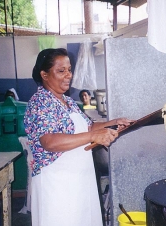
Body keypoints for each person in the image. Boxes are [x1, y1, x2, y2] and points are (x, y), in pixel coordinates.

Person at [24, 48, 133, 226]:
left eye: (69, 69)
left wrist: (113, 123)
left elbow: (86, 127)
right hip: (57, 183)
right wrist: (93, 135)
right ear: (44, 74)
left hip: (78, 181)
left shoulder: (67, 101)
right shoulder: (40, 102)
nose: (68, 75)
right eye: (61, 71)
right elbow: (49, 141)